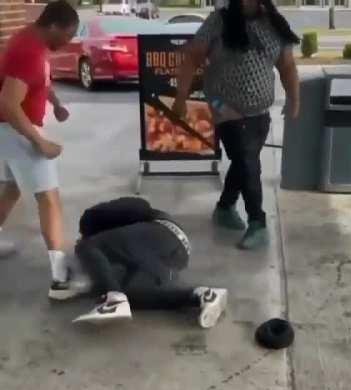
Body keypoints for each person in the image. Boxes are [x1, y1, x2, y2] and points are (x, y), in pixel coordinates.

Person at [173, 0, 300, 250]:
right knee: (247, 160)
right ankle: (258, 222)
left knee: (245, 160)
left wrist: (294, 99)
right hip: (222, 103)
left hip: (260, 109)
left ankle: (224, 207)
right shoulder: (218, 21)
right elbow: (191, 58)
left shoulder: (273, 23)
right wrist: (180, 97)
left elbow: (287, 66)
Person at [0, 1, 79, 299]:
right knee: (49, 198)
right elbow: (8, 104)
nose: (68, 42)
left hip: (10, 131)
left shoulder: (32, 40)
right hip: (15, 129)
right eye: (68, 36)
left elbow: (38, 78)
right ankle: (60, 279)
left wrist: (55, 103)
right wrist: (40, 141)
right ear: (54, 26)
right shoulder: (28, 51)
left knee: (10, 188)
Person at [73, 197, 228, 328]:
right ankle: (203, 295)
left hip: (162, 230)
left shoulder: (91, 218)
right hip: (177, 254)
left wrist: (87, 241)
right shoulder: (121, 244)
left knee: (87, 247)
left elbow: (141, 205)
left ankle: (113, 300)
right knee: (130, 294)